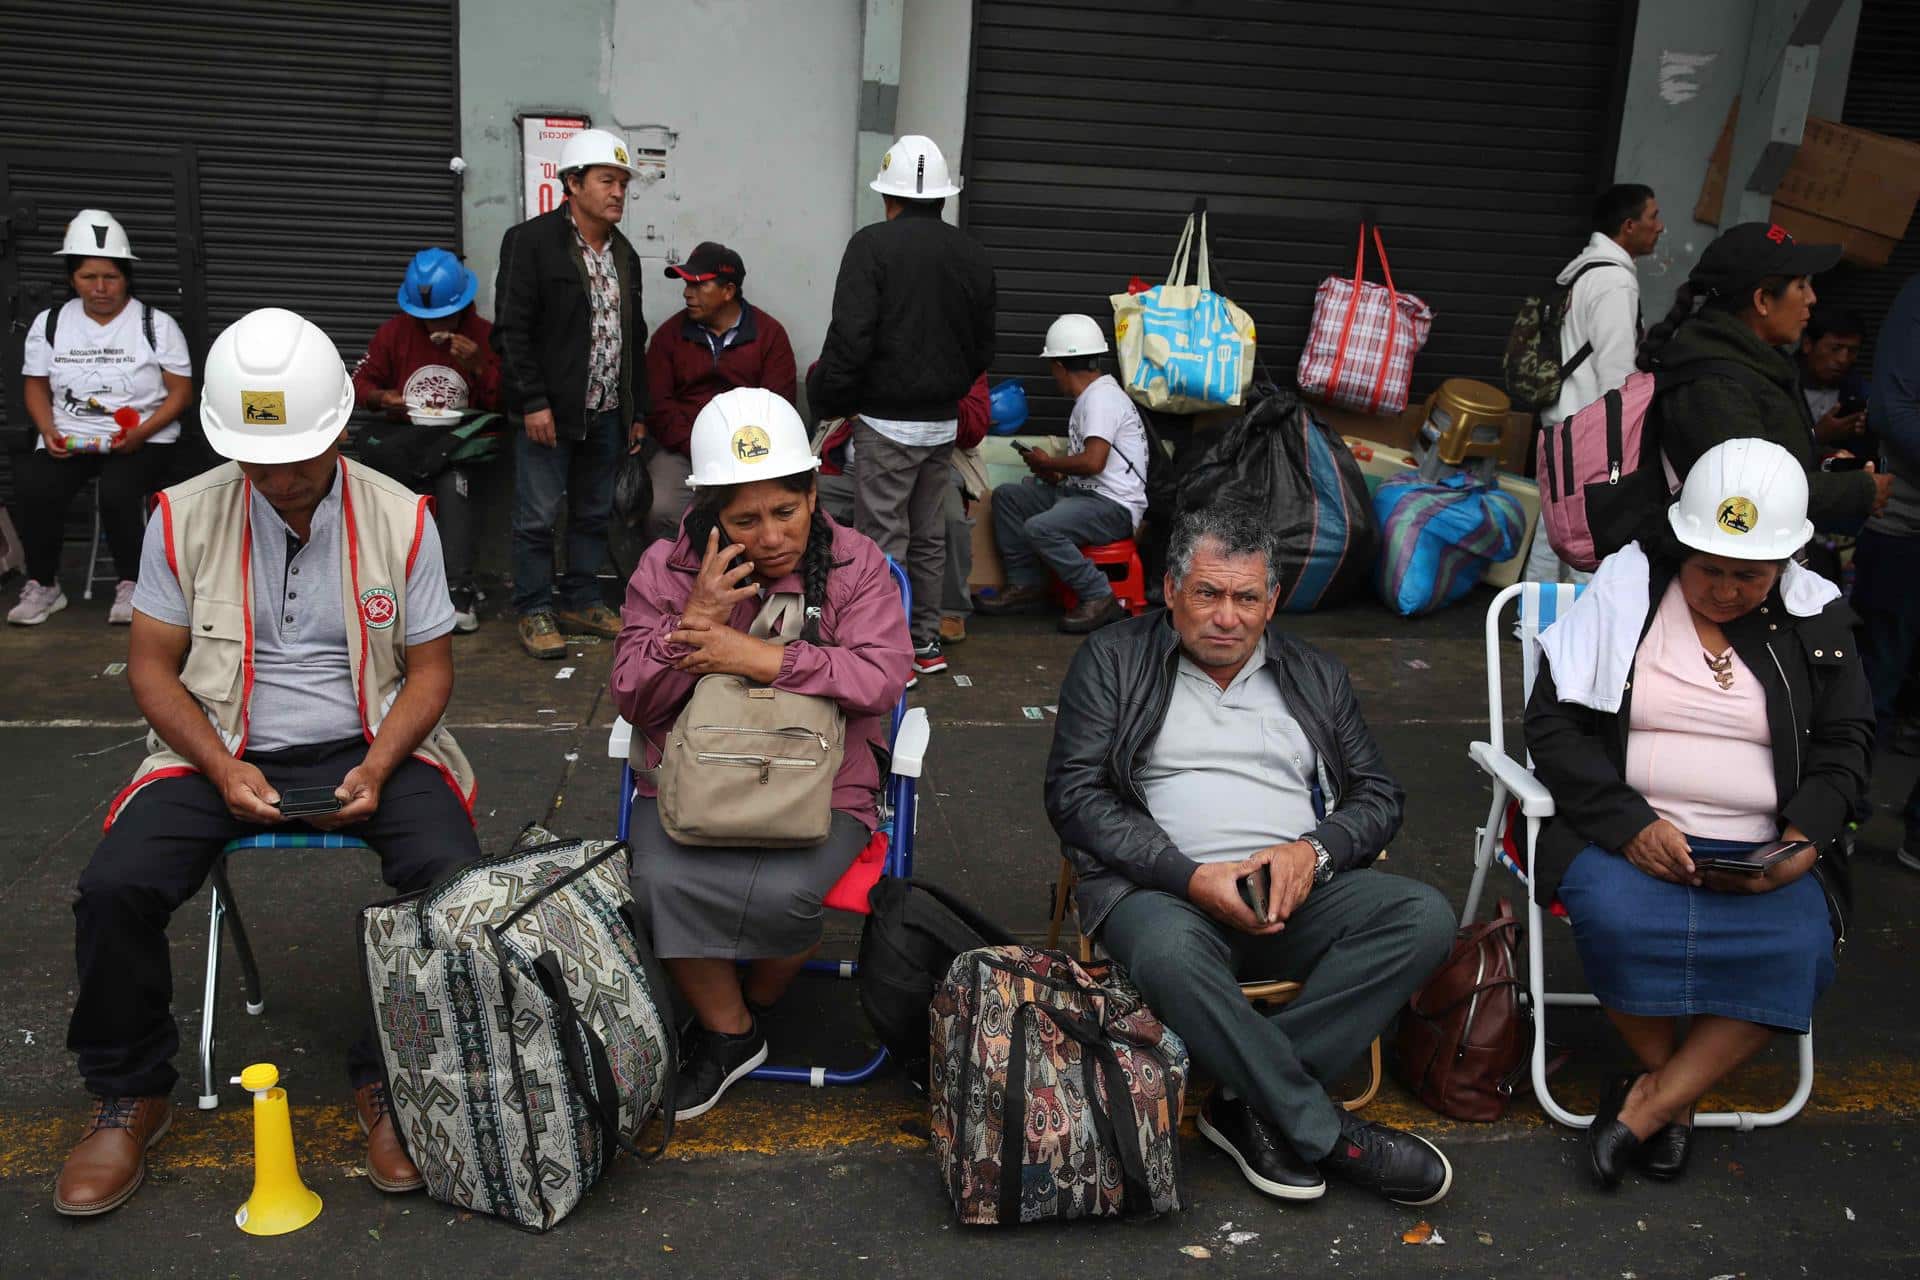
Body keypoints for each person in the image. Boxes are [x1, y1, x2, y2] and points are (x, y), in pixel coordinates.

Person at [55, 308, 480, 1217]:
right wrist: (215, 765)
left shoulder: (403, 519)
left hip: (373, 739)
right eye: (258, 460)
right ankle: (130, 1091)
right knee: (114, 886)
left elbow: (431, 672)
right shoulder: (183, 514)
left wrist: (378, 763)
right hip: (219, 745)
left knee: (452, 879)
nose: (278, 479)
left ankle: (395, 1083)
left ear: (336, 432)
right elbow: (151, 668)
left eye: (296, 458)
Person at [1045, 502, 1456, 1208]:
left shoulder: (1314, 674)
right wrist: (1189, 875)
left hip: (1295, 892)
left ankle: (1245, 1100)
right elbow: (1074, 794)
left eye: (1245, 597)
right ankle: (1323, 1129)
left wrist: (1315, 853)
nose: (1225, 617)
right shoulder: (1114, 659)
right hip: (1166, 890)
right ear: (1171, 591)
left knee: (1424, 916)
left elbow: (1377, 794)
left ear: (1272, 602)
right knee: (1172, 956)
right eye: (1207, 593)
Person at [1526, 438, 1868, 1189]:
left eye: (1747, 576)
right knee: (1615, 918)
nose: (1722, 590)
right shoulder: (1627, 594)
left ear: (1782, 566)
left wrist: (1806, 838)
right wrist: (1628, 824)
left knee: (1801, 946)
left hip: (1761, 845)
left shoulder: (1814, 620)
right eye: (1707, 567)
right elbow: (1551, 728)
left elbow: (1847, 743)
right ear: (1680, 541)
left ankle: (1648, 1106)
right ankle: (1671, 1098)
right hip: (1629, 834)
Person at [610, 387, 912, 1122]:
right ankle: (731, 1031)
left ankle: (758, 995)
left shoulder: (856, 563)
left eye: (787, 511)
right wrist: (697, 620)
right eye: (745, 519)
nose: (772, 536)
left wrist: (758, 657)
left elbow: (881, 678)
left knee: (786, 894)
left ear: (815, 494)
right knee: (656, 884)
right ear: (711, 515)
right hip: (692, 777)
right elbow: (632, 696)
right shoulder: (666, 568)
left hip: (823, 782)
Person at [808, 133, 997, 682]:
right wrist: (946, 391)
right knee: (928, 536)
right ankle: (925, 643)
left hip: (885, 423)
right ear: (943, 197)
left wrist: (833, 399)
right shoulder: (972, 254)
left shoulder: (871, 247)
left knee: (881, 537)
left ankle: (887, 650)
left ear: (888, 198)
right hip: (940, 425)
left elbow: (850, 338)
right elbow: (982, 349)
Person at [493, 127, 648, 659]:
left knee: (592, 511)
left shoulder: (625, 254)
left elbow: (634, 337)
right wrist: (532, 401)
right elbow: (511, 330)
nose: (618, 192)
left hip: (605, 412)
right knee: (536, 515)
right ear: (574, 183)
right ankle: (534, 608)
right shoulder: (531, 243)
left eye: (624, 184)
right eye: (608, 180)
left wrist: (635, 411)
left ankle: (581, 598)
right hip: (549, 414)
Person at [1636, 222, 1888, 532]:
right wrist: (1861, 490)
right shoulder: (1714, 385)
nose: (1812, 298)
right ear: (1762, 301)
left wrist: (1825, 460)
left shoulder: (1757, 365)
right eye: (1801, 285)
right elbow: (1752, 494)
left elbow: (1769, 454)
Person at [10, 209, 192, 627]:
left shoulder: (154, 324)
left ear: (127, 276)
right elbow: (36, 385)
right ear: (72, 278)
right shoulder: (52, 323)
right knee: (37, 488)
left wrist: (141, 432)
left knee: (118, 491)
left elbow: (180, 391)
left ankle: (132, 582)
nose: (100, 288)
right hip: (70, 437)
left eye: (110, 277)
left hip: (143, 439)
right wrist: (48, 430)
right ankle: (43, 584)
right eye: (88, 277)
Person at [352, 246, 502, 632]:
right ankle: (386, 589)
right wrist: (381, 398)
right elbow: (360, 384)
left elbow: (505, 400)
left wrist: (478, 366)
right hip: (406, 439)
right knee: (382, 490)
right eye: (425, 317)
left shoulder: (482, 334)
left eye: (444, 315)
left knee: (455, 487)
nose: (434, 323)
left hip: (459, 443)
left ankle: (458, 590)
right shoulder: (394, 333)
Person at [1524, 183, 1663, 584]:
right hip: (1589, 429)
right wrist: (1623, 447)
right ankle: (1569, 625)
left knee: (1557, 528)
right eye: (1653, 217)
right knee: (1594, 534)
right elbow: (1617, 369)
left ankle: (1535, 619)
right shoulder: (1615, 282)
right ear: (1628, 225)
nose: (1660, 226)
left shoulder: (1582, 270)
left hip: (1563, 419)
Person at [975, 314, 1148, 633]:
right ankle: (1025, 586)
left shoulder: (1101, 399)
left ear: (1058, 366)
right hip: (1086, 496)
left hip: (1113, 508)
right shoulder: (1092, 397)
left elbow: (1094, 462)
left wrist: (1050, 462)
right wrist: (1052, 474)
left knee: (1040, 527)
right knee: (1009, 498)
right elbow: (1091, 470)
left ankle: (1099, 596)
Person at [817, 373, 989, 655]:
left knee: (947, 520)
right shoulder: (870, 338)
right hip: (850, 467)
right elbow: (827, 378)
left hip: (932, 459)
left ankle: (940, 615)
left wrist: (924, 397)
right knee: (804, 506)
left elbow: (975, 425)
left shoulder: (958, 351)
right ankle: (825, 605)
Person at [640, 241, 797, 543]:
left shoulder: (769, 336)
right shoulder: (669, 336)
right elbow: (658, 407)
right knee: (661, 509)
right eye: (687, 285)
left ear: (728, 291)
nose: (687, 293)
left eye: (699, 285)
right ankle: (671, 583)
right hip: (683, 452)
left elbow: (779, 407)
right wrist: (699, 445)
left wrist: (737, 449)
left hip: (751, 454)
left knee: (758, 517)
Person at [1849, 272, 1920, 870]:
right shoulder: (1916, 297)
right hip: (1904, 528)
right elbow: (1893, 409)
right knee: (1878, 680)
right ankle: (1841, 814)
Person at [1796, 305, 1872, 461]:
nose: (1843, 359)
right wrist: (1816, 435)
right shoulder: (1781, 387)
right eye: (1835, 348)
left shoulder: (1857, 392)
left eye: (1852, 351)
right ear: (1807, 344)